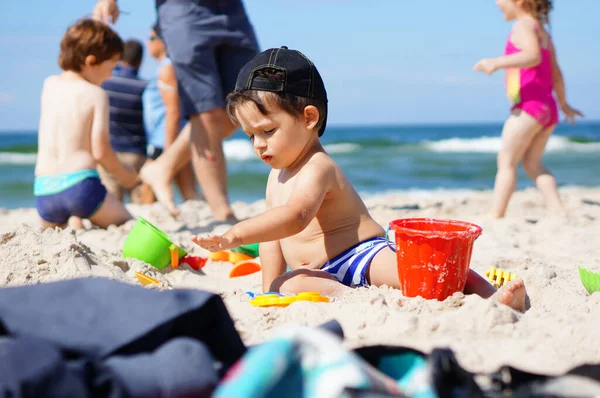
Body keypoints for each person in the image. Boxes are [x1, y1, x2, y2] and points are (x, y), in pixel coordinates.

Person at [192, 47, 528, 312]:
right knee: (289, 284)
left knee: (421, 273)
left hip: (361, 255)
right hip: (321, 274)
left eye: (267, 131)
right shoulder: (274, 177)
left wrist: (235, 235)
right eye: (250, 136)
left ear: (309, 118)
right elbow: (272, 238)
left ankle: (489, 293)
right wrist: (269, 287)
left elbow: (294, 217)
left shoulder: (318, 167)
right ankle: (346, 296)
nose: (259, 144)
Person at [93, 0, 260, 222]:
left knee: (244, 104)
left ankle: (164, 165)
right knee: (206, 111)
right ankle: (223, 212)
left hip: (231, 8)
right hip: (181, 8)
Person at [473, 0, 583, 218]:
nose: (496, 3)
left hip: (528, 108)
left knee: (506, 161)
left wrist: (496, 62)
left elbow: (533, 56)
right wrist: (563, 104)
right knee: (533, 163)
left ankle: (496, 213)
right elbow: (556, 72)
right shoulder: (542, 31)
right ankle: (557, 209)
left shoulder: (523, 25)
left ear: (519, 2)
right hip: (547, 108)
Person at [34, 19, 138, 229]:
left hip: (44, 191)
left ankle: (75, 219)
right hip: (81, 187)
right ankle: (79, 216)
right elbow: (101, 152)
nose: (111, 75)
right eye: (111, 67)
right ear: (91, 62)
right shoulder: (96, 94)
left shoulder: (49, 84)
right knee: (128, 224)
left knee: (58, 232)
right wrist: (127, 177)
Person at [142, 23, 199, 203]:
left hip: (165, 139)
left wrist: (168, 151)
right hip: (172, 137)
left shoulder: (168, 68)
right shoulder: (168, 67)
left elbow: (173, 111)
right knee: (189, 193)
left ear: (164, 42)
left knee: (147, 190)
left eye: (152, 38)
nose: (147, 43)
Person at [100, 39, 149, 203]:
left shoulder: (105, 84)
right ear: (141, 60)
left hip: (111, 152)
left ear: (119, 57)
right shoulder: (145, 87)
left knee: (112, 203)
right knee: (140, 205)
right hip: (137, 153)